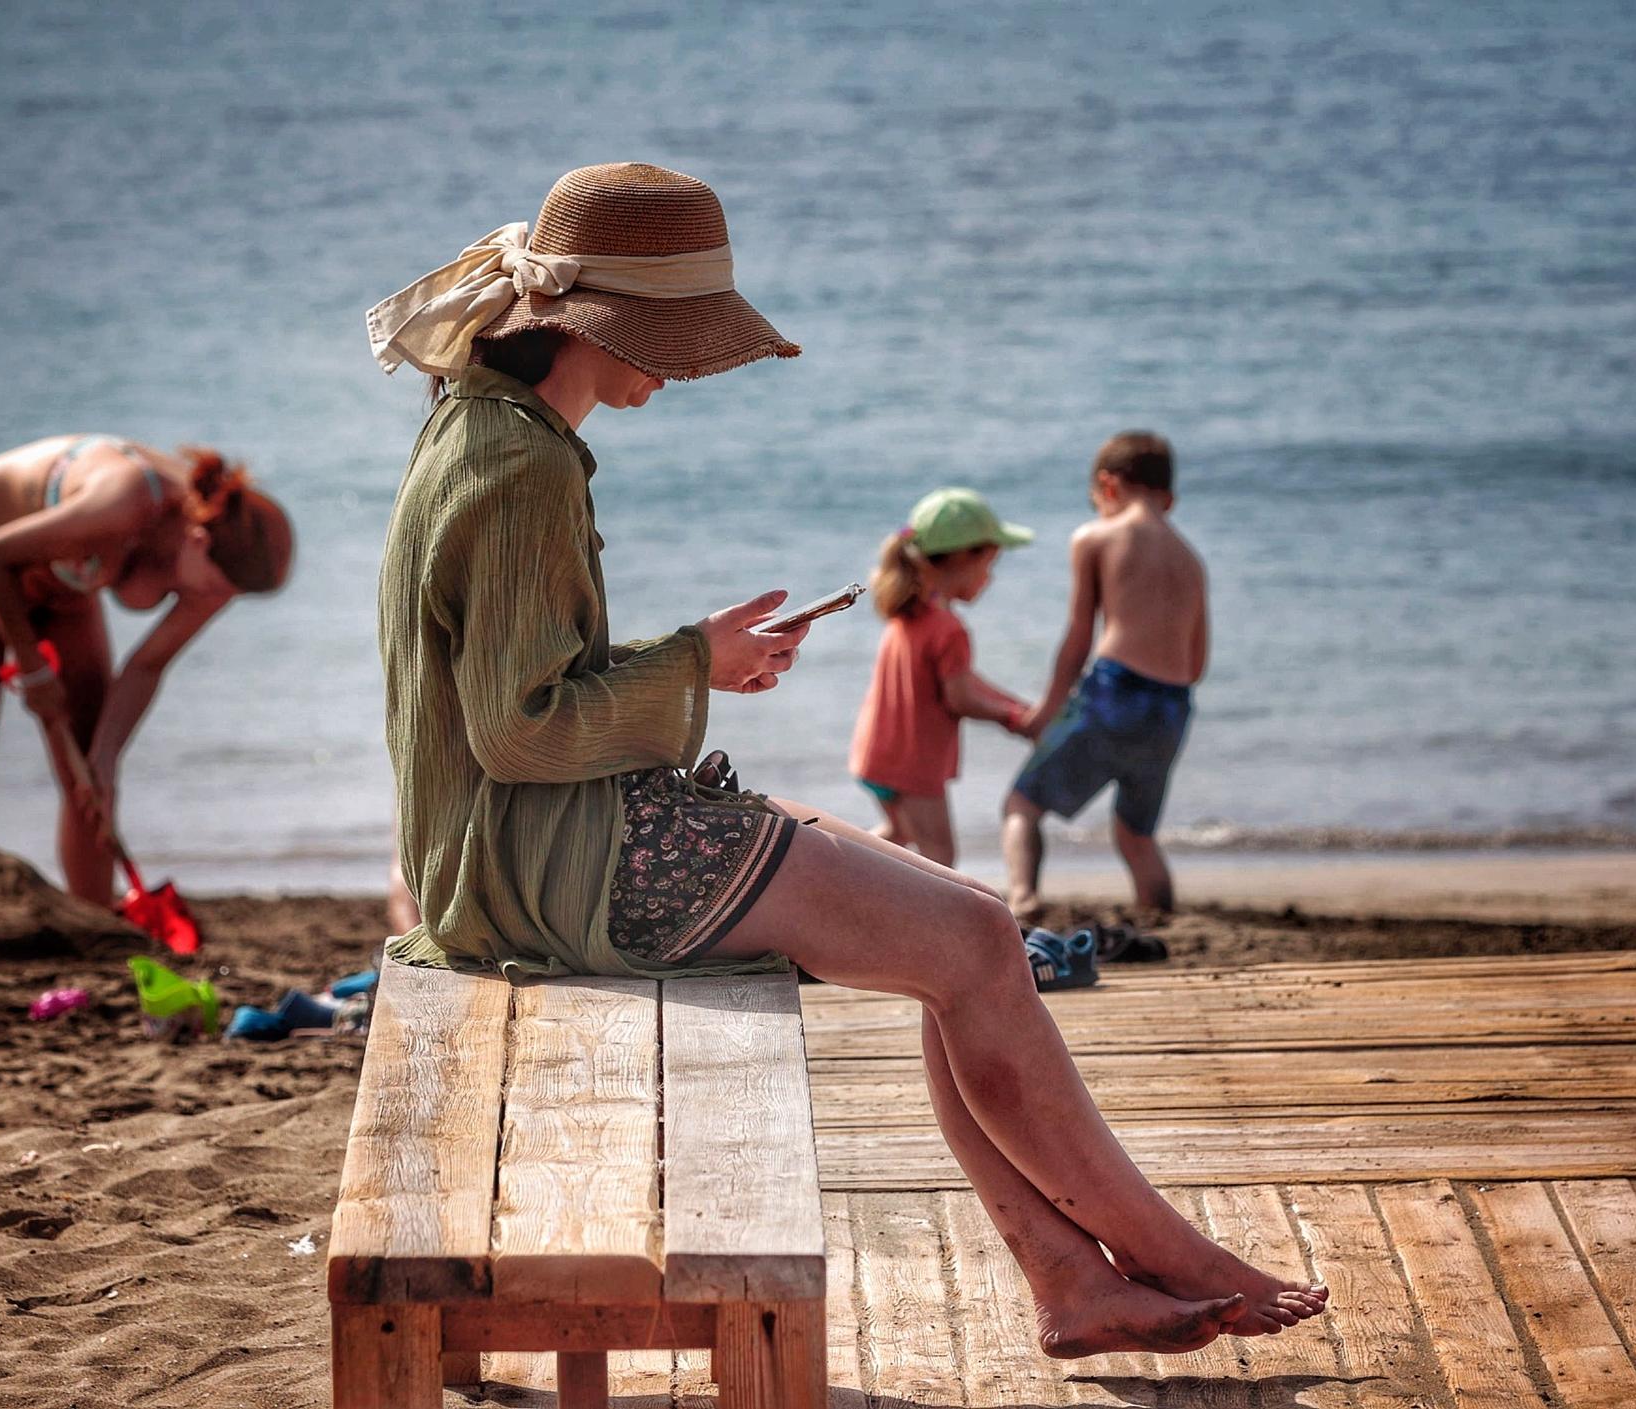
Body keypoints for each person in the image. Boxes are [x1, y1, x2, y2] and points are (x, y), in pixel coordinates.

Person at [370, 163, 1323, 1360]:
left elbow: (507, 700)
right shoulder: (525, 465)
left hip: (532, 844)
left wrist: (694, 662)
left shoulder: (479, 425)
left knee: (966, 922)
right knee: (976, 944)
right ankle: (1156, 1255)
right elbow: (516, 729)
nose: (680, 364)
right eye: (667, 336)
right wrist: (692, 666)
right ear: (581, 320)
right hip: (553, 863)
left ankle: (1073, 1276)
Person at [0, 435, 293, 903]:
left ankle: (92, 923)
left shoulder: (220, 568)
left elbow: (147, 665)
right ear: (197, 542)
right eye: (220, 587)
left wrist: (108, 758)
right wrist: (33, 671)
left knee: (89, 766)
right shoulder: (124, 502)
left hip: (63, 584)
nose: (217, 600)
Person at [1005, 431, 1207, 919]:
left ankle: (1023, 902)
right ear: (1169, 498)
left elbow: (1079, 638)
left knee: (1021, 807)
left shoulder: (1096, 536)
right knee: (1136, 835)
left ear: (1107, 486)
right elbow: (1197, 663)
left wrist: (1046, 714)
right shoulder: (1192, 560)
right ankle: (1160, 918)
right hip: (1172, 707)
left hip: (1116, 691)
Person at [848, 488, 1037, 866]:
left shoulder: (911, 610)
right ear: (964, 557)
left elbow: (962, 679)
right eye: (989, 565)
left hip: (876, 754)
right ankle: (908, 917)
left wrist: (1014, 705)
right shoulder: (949, 628)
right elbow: (959, 697)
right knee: (940, 857)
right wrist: (1010, 718)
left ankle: (837, 873)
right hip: (913, 766)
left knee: (898, 836)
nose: (990, 579)